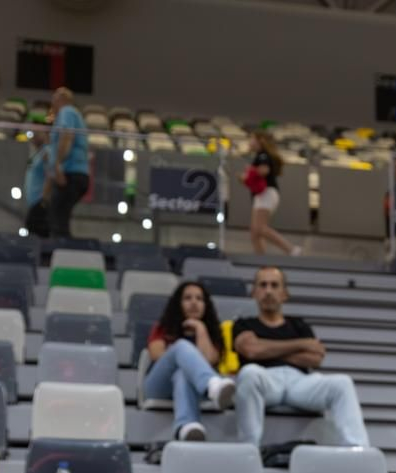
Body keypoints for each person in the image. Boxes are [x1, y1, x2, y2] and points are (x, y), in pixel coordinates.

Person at [232, 266, 368, 447]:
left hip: (299, 382)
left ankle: (357, 448)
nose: (268, 291)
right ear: (254, 293)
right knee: (249, 373)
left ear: (285, 294)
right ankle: (248, 448)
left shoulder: (299, 324)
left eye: (274, 285)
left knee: (342, 383)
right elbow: (251, 350)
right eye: (263, 285)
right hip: (265, 380)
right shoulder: (243, 324)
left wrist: (267, 350)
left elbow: (316, 357)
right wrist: (300, 344)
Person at [145, 280, 237, 442]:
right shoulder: (163, 328)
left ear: (206, 305)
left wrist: (200, 328)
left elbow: (209, 360)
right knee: (181, 346)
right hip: (159, 386)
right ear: (178, 304)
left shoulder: (213, 333)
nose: (194, 302)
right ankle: (212, 385)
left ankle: (186, 427)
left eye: (199, 299)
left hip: (196, 390)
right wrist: (182, 355)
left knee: (182, 374)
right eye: (187, 298)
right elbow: (156, 354)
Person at [45, 87, 90, 239]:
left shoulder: (67, 112)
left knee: (57, 217)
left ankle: (61, 247)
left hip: (70, 172)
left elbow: (67, 136)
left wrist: (58, 165)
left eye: (54, 99)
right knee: (60, 215)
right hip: (75, 173)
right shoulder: (73, 114)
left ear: (62, 99)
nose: (52, 103)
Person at [245, 131, 297, 256]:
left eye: (252, 139)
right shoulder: (260, 155)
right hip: (261, 195)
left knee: (260, 228)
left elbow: (264, 171)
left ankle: (291, 250)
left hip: (267, 193)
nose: (250, 142)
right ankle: (262, 260)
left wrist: (250, 171)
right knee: (255, 232)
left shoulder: (263, 155)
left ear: (259, 141)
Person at [21, 118, 53, 239]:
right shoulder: (36, 153)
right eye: (31, 133)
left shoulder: (47, 152)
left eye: (37, 132)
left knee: (36, 234)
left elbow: (51, 175)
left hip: (41, 203)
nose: (33, 136)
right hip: (33, 203)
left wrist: (44, 200)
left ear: (45, 133)